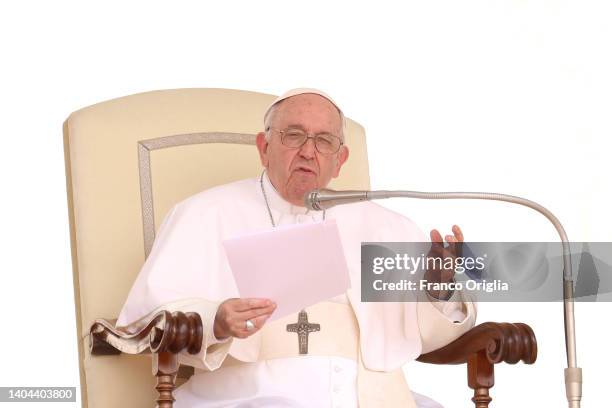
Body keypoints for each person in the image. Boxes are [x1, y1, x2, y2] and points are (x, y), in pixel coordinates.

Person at [117, 88, 476, 408]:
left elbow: (429, 336)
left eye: (323, 141)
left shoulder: (389, 227)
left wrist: (438, 288)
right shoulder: (203, 212)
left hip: (371, 394)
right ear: (264, 147)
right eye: (294, 136)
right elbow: (150, 315)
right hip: (245, 392)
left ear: (341, 159)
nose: (308, 152)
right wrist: (217, 319)